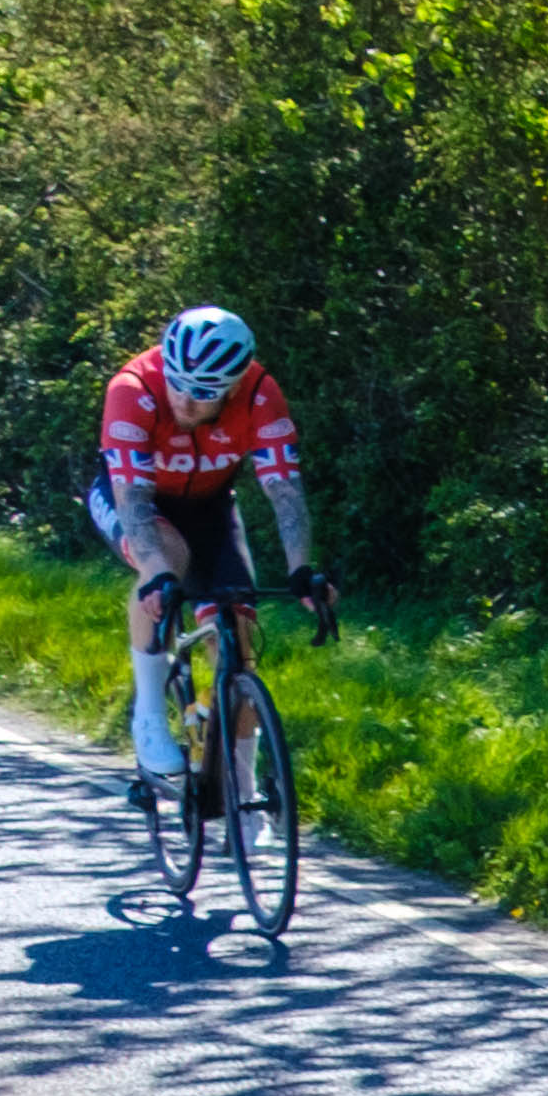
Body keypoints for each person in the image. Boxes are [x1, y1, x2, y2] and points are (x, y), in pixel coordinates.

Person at [87, 305, 336, 785]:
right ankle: (149, 718)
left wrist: (302, 569)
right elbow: (133, 497)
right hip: (132, 498)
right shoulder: (132, 390)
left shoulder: (262, 396)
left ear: (236, 385)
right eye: (177, 382)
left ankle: (239, 792)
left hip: (211, 503)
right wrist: (157, 572)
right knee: (169, 559)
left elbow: (284, 490)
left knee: (238, 647)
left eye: (204, 393)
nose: (184, 401)